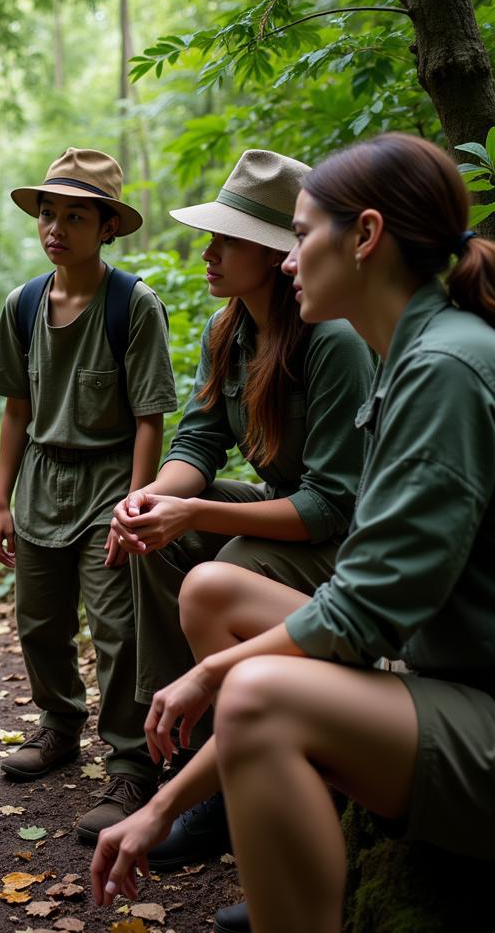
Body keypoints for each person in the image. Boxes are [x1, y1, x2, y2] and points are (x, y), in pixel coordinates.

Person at [92, 132, 495, 933]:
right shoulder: (413, 354)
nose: (285, 260)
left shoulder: (444, 367)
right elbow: (201, 446)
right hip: (440, 674)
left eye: (301, 235)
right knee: (238, 651)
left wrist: (207, 671)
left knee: (254, 692)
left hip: (466, 697)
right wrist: (161, 805)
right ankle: (262, 837)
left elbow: (362, 611)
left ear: (367, 236)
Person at [109, 149, 373, 866]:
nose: (208, 252)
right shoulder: (228, 331)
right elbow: (198, 444)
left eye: (226, 239)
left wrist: (195, 516)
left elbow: (328, 506)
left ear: (272, 251)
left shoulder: (334, 341)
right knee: (155, 538)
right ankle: (177, 744)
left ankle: (234, 780)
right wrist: (150, 501)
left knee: (230, 560)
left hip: (346, 538)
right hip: (293, 509)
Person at [0, 148, 177, 841]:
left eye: (74, 216)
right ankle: (59, 726)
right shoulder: (24, 304)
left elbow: (150, 417)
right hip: (38, 483)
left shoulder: (134, 305)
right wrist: (1, 502)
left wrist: (135, 507)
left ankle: (129, 763)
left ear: (107, 227)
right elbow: (14, 410)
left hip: (108, 487)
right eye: (48, 213)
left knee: (118, 631)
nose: (55, 228)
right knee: (40, 621)